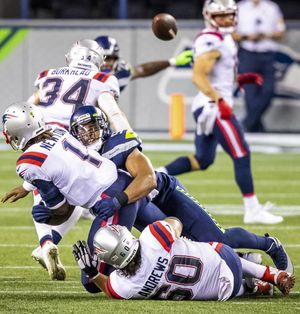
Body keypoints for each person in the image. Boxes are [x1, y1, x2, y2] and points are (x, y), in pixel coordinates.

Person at [68, 105, 293, 276]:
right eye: (84, 129)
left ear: (104, 126)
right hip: (139, 206)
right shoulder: (81, 159)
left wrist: (117, 201)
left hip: (163, 194)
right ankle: (242, 261)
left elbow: (148, 179)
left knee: (217, 238)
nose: (89, 133)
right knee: (180, 249)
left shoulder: (118, 143)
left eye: (94, 126)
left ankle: (269, 244)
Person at [157, 0, 283, 225]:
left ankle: (156, 175)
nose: (227, 20)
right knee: (241, 152)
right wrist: (219, 99)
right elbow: (198, 76)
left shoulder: (224, 38)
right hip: (213, 106)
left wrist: (242, 79)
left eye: (230, 15)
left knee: (202, 159)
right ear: (209, 16)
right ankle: (252, 208)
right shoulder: (210, 40)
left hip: (211, 105)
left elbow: (220, 74)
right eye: (221, 16)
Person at [72, 218, 295, 300]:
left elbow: (109, 290)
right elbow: (175, 221)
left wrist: (93, 274)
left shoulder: (125, 286)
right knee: (214, 250)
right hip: (225, 259)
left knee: (221, 282)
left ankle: (256, 288)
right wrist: (176, 234)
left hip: (222, 293)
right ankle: (270, 274)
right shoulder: (152, 237)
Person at [233, 0, 286, 132]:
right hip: (248, 54)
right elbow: (232, 33)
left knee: (269, 91)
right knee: (250, 94)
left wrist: (267, 34)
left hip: (267, 55)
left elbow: (281, 31)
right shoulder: (240, 8)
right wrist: (247, 37)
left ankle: (247, 123)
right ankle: (255, 126)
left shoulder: (272, 7)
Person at [94, 35, 193, 92]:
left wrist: (173, 61)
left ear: (116, 59)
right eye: (103, 58)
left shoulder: (121, 73)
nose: (105, 63)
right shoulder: (84, 72)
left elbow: (142, 70)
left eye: (109, 59)